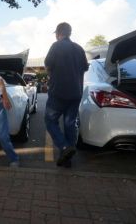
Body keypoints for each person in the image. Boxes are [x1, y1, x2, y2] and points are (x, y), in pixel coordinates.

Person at [44, 22, 89, 168]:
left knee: (50, 121)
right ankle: (67, 159)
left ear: (58, 33)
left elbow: (48, 65)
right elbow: (85, 68)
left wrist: (51, 75)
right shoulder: (79, 48)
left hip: (58, 92)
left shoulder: (56, 46)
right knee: (70, 124)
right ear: (69, 32)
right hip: (76, 93)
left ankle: (64, 147)